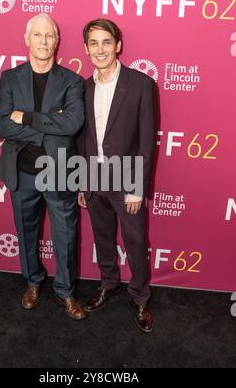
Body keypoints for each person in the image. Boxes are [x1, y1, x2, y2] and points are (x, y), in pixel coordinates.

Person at [0, 14, 86, 320]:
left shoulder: (72, 80)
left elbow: (72, 124)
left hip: (59, 171)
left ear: (57, 42)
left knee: (66, 235)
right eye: (38, 35)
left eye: (49, 36)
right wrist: (50, 124)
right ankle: (33, 282)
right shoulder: (10, 77)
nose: (44, 41)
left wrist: (27, 117)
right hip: (21, 172)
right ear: (27, 39)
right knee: (26, 231)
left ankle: (66, 291)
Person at [78, 19, 158, 332]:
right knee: (103, 237)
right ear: (86, 49)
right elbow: (82, 140)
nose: (100, 49)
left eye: (106, 42)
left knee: (136, 241)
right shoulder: (82, 88)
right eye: (94, 43)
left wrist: (138, 188)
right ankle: (108, 282)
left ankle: (139, 297)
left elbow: (147, 140)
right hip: (93, 179)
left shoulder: (141, 84)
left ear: (118, 45)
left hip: (127, 182)